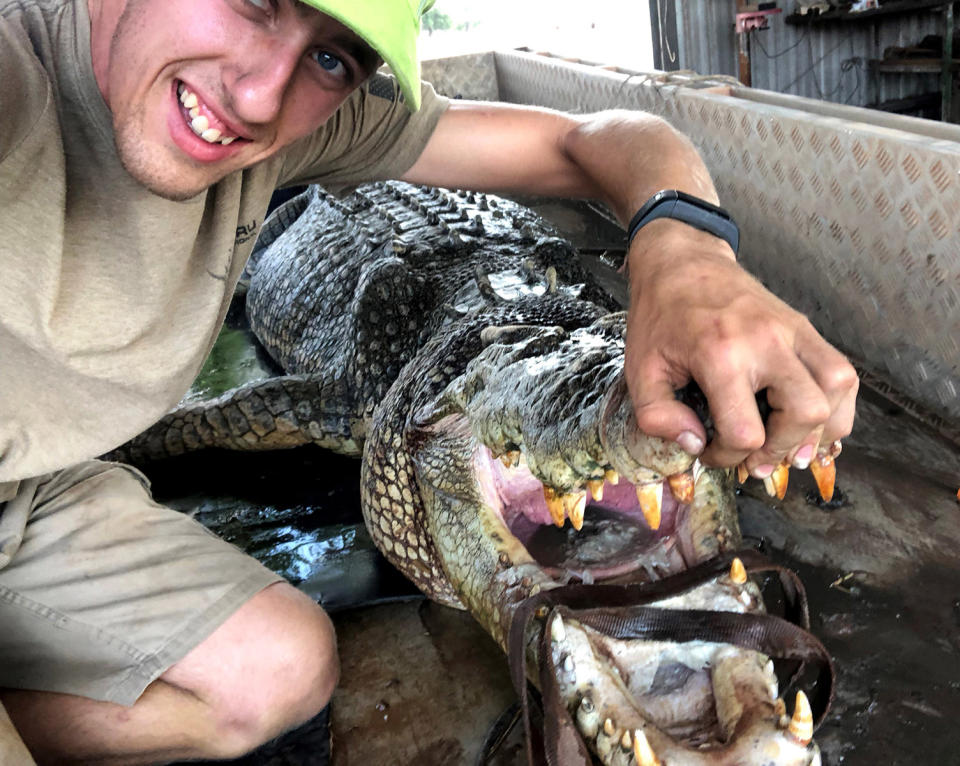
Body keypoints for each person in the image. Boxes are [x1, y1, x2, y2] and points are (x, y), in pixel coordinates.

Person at [0, 0, 858, 761]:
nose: (260, 97)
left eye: (333, 53)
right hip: (393, 294)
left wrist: (685, 246)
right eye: (253, 0)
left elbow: (592, 136)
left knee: (285, 670)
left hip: (38, 482)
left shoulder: (310, 121)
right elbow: (214, 419)